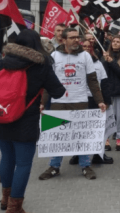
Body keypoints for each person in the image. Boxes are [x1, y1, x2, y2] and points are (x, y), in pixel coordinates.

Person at [0, 29, 65, 213]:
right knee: (23, 164)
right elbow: (57, 92)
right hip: (25, 120)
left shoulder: (3, 61)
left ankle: (5, 200)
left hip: (0, 116)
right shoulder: (41, 65)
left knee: (7, 158)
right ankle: (15, 211)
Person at [38, 28, 106, 181]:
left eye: (78, 37)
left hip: (80, 100)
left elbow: (92, 80)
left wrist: (100, 100)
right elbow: (49, 82)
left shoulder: (85, 56)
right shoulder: (54, 56)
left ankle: (85, 165)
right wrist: (43, 102)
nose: (77, 40)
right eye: (72, 38)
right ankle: (54, 166)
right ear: (63, 40)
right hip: (58, 102)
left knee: (81, 135)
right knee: (57, 135)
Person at [80, 39, 113, 165]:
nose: (87, 48)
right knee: (81, 130)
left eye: (89, 46)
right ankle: (78, 155)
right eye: (84, 46)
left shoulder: (98, 63)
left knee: (97, 130)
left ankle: (99, 155)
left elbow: (104, 82)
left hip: (95, 100)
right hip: (80, 100)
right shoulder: (75, 61)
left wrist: (106, 100)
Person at [102, 35, 120, 151]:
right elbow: (103, 73)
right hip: (108, 90)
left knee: (119, 116)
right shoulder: (105, 56)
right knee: (108, 116)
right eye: (113, 41)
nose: (115, 43)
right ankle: (107, 138)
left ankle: (119, 137)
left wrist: (112, 62)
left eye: (118, 42)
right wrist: (105, 61)